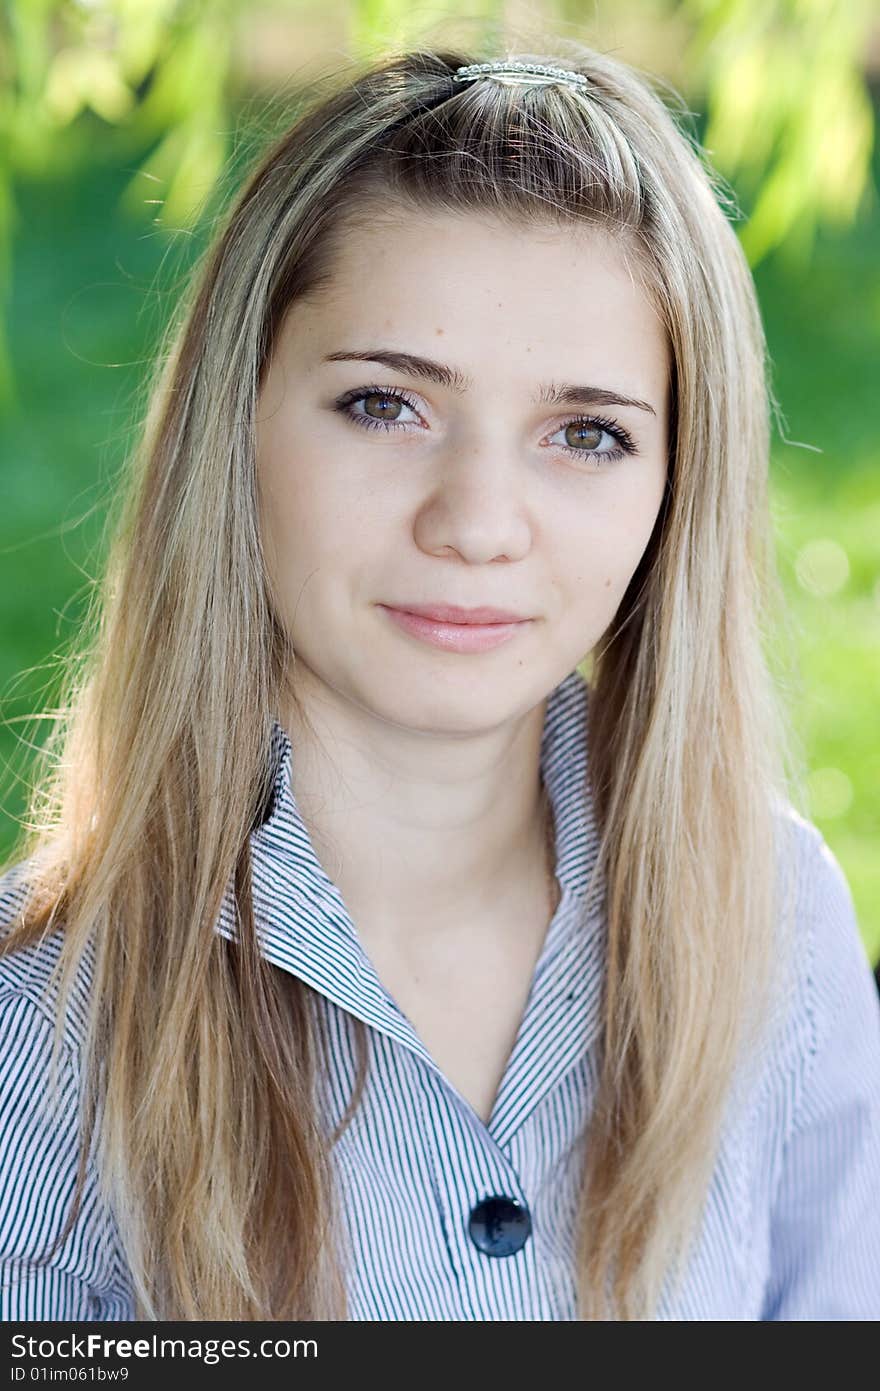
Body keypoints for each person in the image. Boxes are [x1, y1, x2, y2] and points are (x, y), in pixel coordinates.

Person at [1, 43, 879, 1323]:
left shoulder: (771, 916)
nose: (477, 522)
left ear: (674, 488)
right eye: (383, 405)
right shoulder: (34, 1032)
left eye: (587, 433)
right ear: (232, 425)